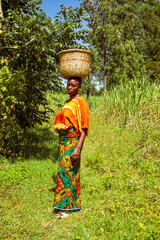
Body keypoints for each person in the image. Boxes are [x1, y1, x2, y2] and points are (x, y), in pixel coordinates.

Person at [53, 76, 89, 219]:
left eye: (73, 85)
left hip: (73, 143)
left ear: (79, 87)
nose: (69, 87)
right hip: (64, 143)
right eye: (68, 84)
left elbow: (85, 128)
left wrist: (78, 148)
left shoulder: (81, 102)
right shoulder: (68, 102)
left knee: (69, 174)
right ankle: (67, 205)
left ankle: (66, 208)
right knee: (64, 172)